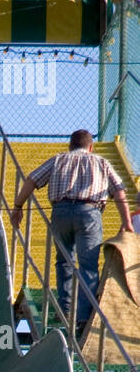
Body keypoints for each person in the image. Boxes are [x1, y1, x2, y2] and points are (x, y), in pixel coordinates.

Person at [10, 130, 132, 334]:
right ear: (90, 147)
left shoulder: (58, 160)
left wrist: (17, 206)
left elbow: (32, 180)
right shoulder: (101, 163)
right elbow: (119, 190)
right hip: (89, 213)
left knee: (64, 260)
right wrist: (126, 221)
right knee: (88, 266)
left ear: (70, 146)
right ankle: (83, 318)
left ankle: (65, 309)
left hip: (60, 212)